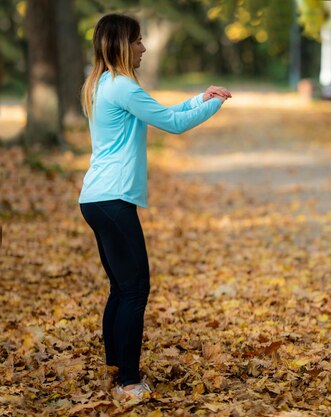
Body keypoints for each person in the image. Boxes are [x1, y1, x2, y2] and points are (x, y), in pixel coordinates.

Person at [79, 13, 231, 401]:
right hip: (112, 199)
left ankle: (117, 369)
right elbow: (174, 125)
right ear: (121, 45)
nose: (143, 47)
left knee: (121, 288)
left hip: (97, 198)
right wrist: (216, 105)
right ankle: (129, 382)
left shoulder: (101, 84)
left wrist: (201, 97)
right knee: (134, 290)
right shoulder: (123, 87)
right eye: (138, 41)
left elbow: (162, 112)